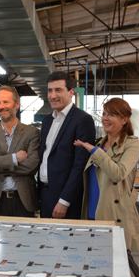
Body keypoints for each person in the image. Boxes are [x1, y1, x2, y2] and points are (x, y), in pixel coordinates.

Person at [74, 98, 139, 251]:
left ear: (124, 120)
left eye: (112, 115)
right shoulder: (99, 143)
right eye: (104, 114)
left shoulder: (132, 144)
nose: (105, 118)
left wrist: (93, 150)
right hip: (91, 212)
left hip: (114, 215)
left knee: (114, 262)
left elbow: (118, 173)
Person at [39, 71, 96, 219]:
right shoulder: (47, 121)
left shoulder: (82, 120)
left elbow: (80, 165)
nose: (53, 95)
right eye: (50, 90)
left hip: (65, 199)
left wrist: (65, 200)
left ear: (71, 92)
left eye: (58, 90)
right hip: (44, 194)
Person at [0, 86, 40, 217]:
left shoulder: (31, 133)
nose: (1, 106)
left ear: (17, 104)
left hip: (23, 200)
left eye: (6, 102)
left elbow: (31, 166)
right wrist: (14, 159)